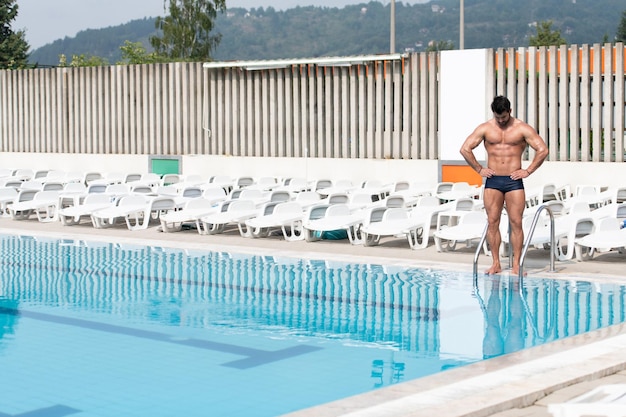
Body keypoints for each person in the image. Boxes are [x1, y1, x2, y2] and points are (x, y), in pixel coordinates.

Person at [460, 96, 548, 275]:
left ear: (510, 111)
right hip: (493, 181)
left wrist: (528, 170)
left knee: (516, 222)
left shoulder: (522, 128)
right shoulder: (485, 128)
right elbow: (465, 148)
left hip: (514, 180)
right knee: (492, 222)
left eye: (504, 117)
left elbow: (543, 149)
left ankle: (516, 264)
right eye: (497, 117)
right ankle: (496, 263)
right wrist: (478, 169)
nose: (500, 121)